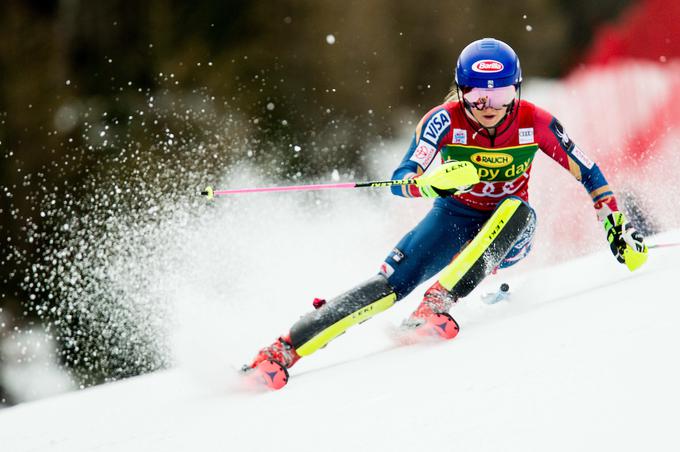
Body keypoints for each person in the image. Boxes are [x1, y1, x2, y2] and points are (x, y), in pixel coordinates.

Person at [243, 37, 648, 373]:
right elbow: (401, 179)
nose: (488, 106)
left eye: (501, 93)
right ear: (461, 89)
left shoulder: (535, 122)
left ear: (516, 90)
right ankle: (282, 351)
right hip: (453, 219)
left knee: (518, 210)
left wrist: (616, 225)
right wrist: (428, 184)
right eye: (475, 93)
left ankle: (436, 303)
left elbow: (590, 173)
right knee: (387, 286)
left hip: (509, 232)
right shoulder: (444, 120)